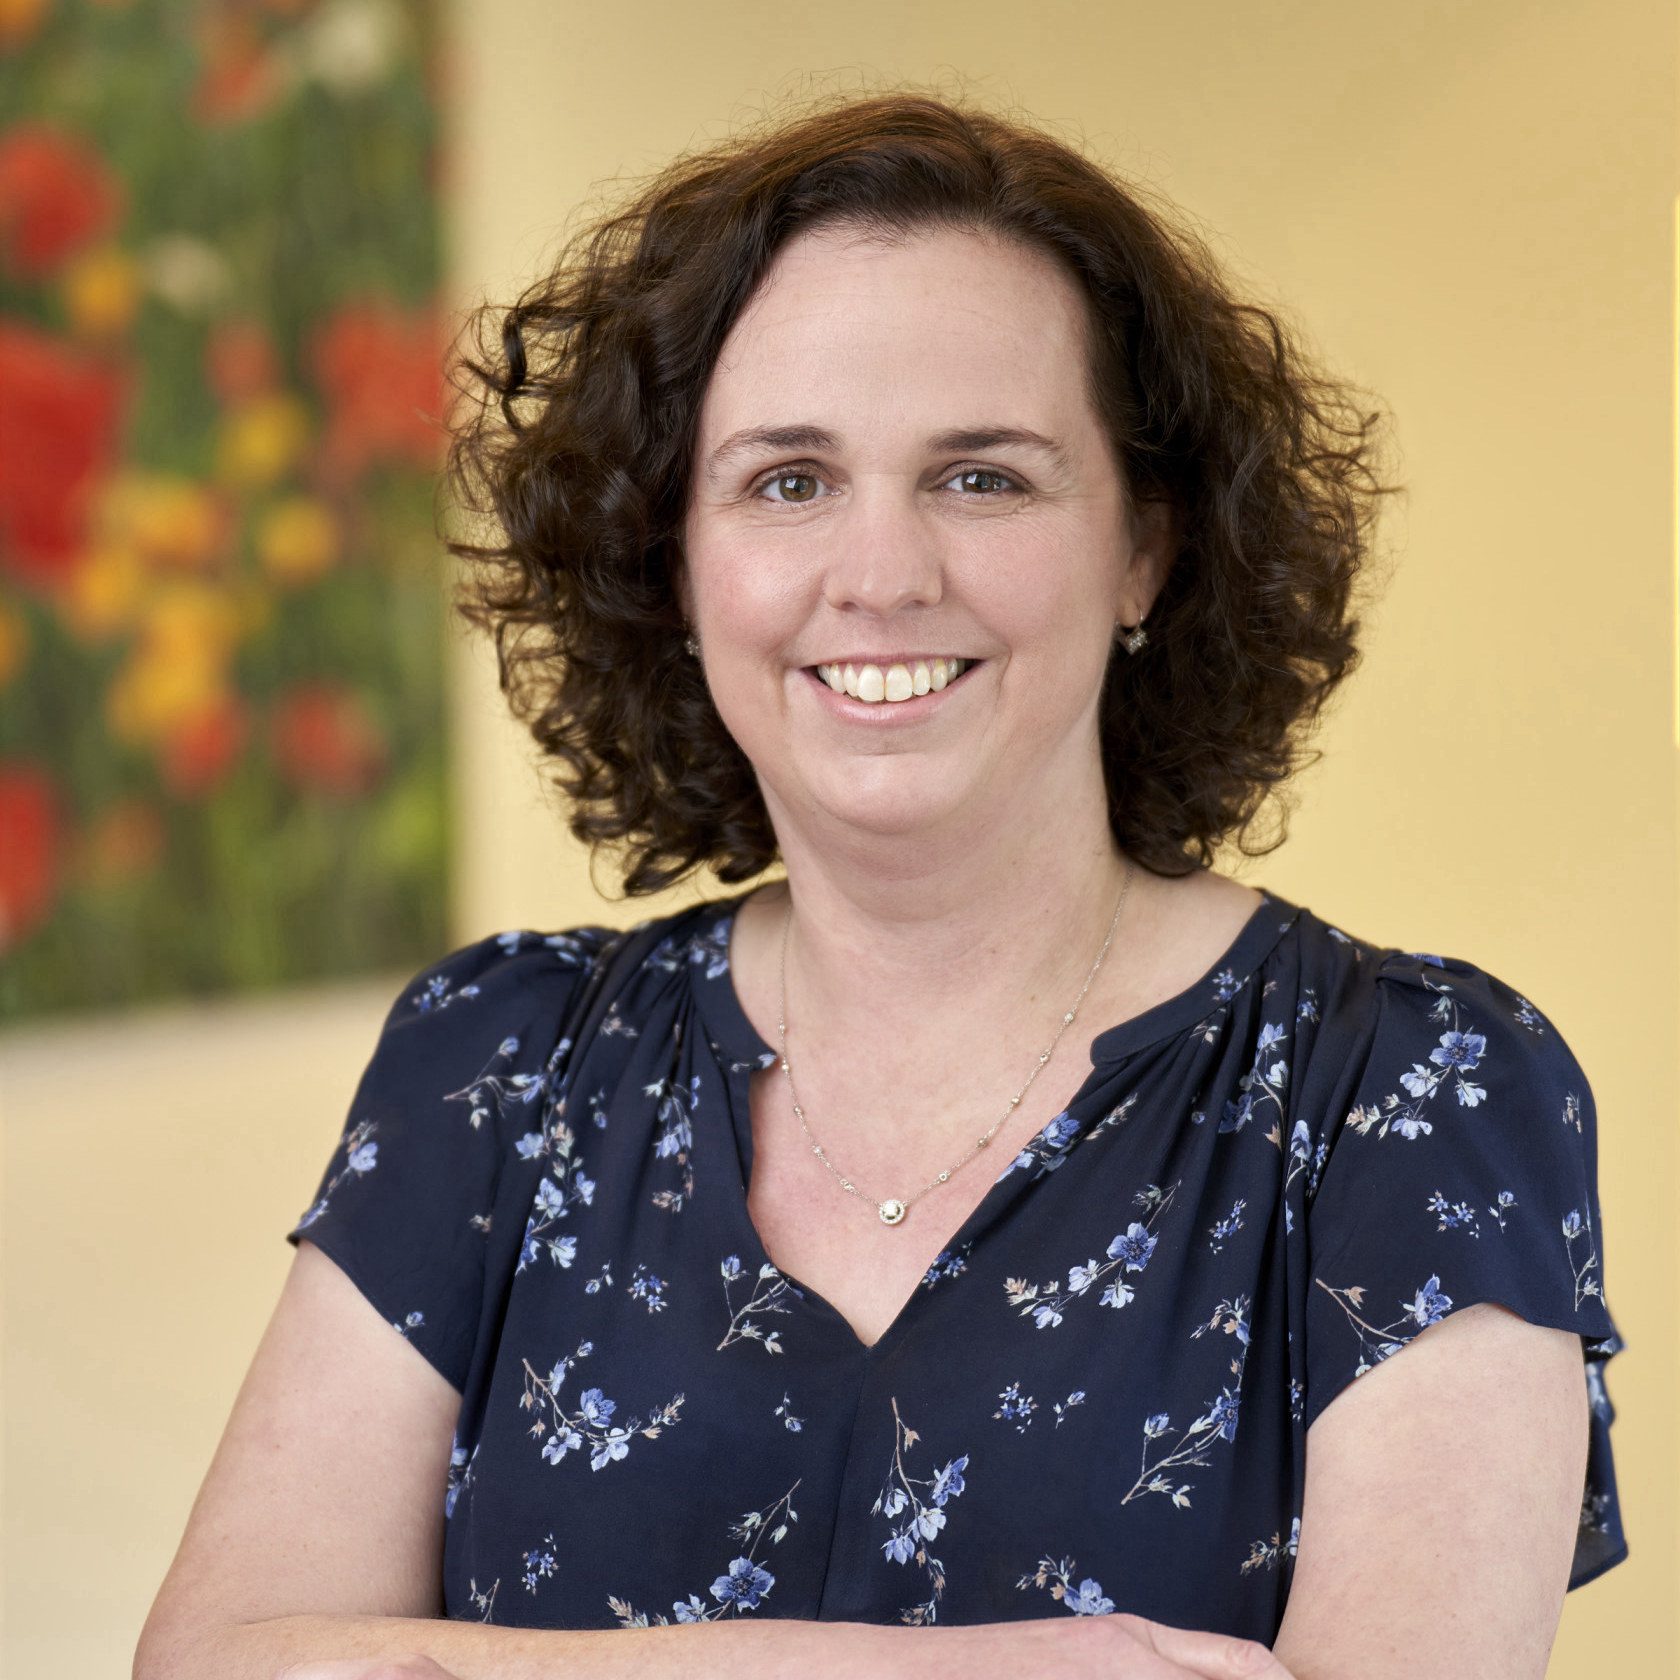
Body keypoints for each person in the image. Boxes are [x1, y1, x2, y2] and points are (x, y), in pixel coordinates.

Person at [135, 94, 1623, 1680]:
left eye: (983, 477)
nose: (884, 572)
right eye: (787, 481)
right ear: (677, 560)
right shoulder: (497, 1059)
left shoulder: (1416, 1086)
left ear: (1147, 552)